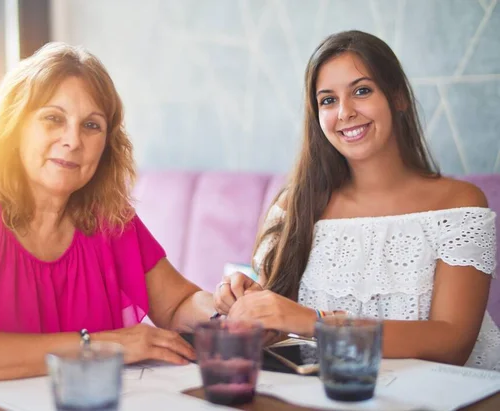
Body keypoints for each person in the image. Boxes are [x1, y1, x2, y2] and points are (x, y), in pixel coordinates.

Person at [0, 42, 215, 391]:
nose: (72, 140)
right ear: (15, 125)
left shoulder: (109, 216)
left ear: (107, 144)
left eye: (92, 125)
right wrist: (99, 345)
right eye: (53, 118)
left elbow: (178, 305)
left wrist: (227, 310)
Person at [214, 30, 499, 371]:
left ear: (398, 97)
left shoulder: (459, 203)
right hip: (327, 395)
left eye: (361, 91)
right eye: (328, 100)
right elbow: (281, 325)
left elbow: (453, 343)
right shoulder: (294, 207)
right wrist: (247, 306)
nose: (345, 112)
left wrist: (315, 321)